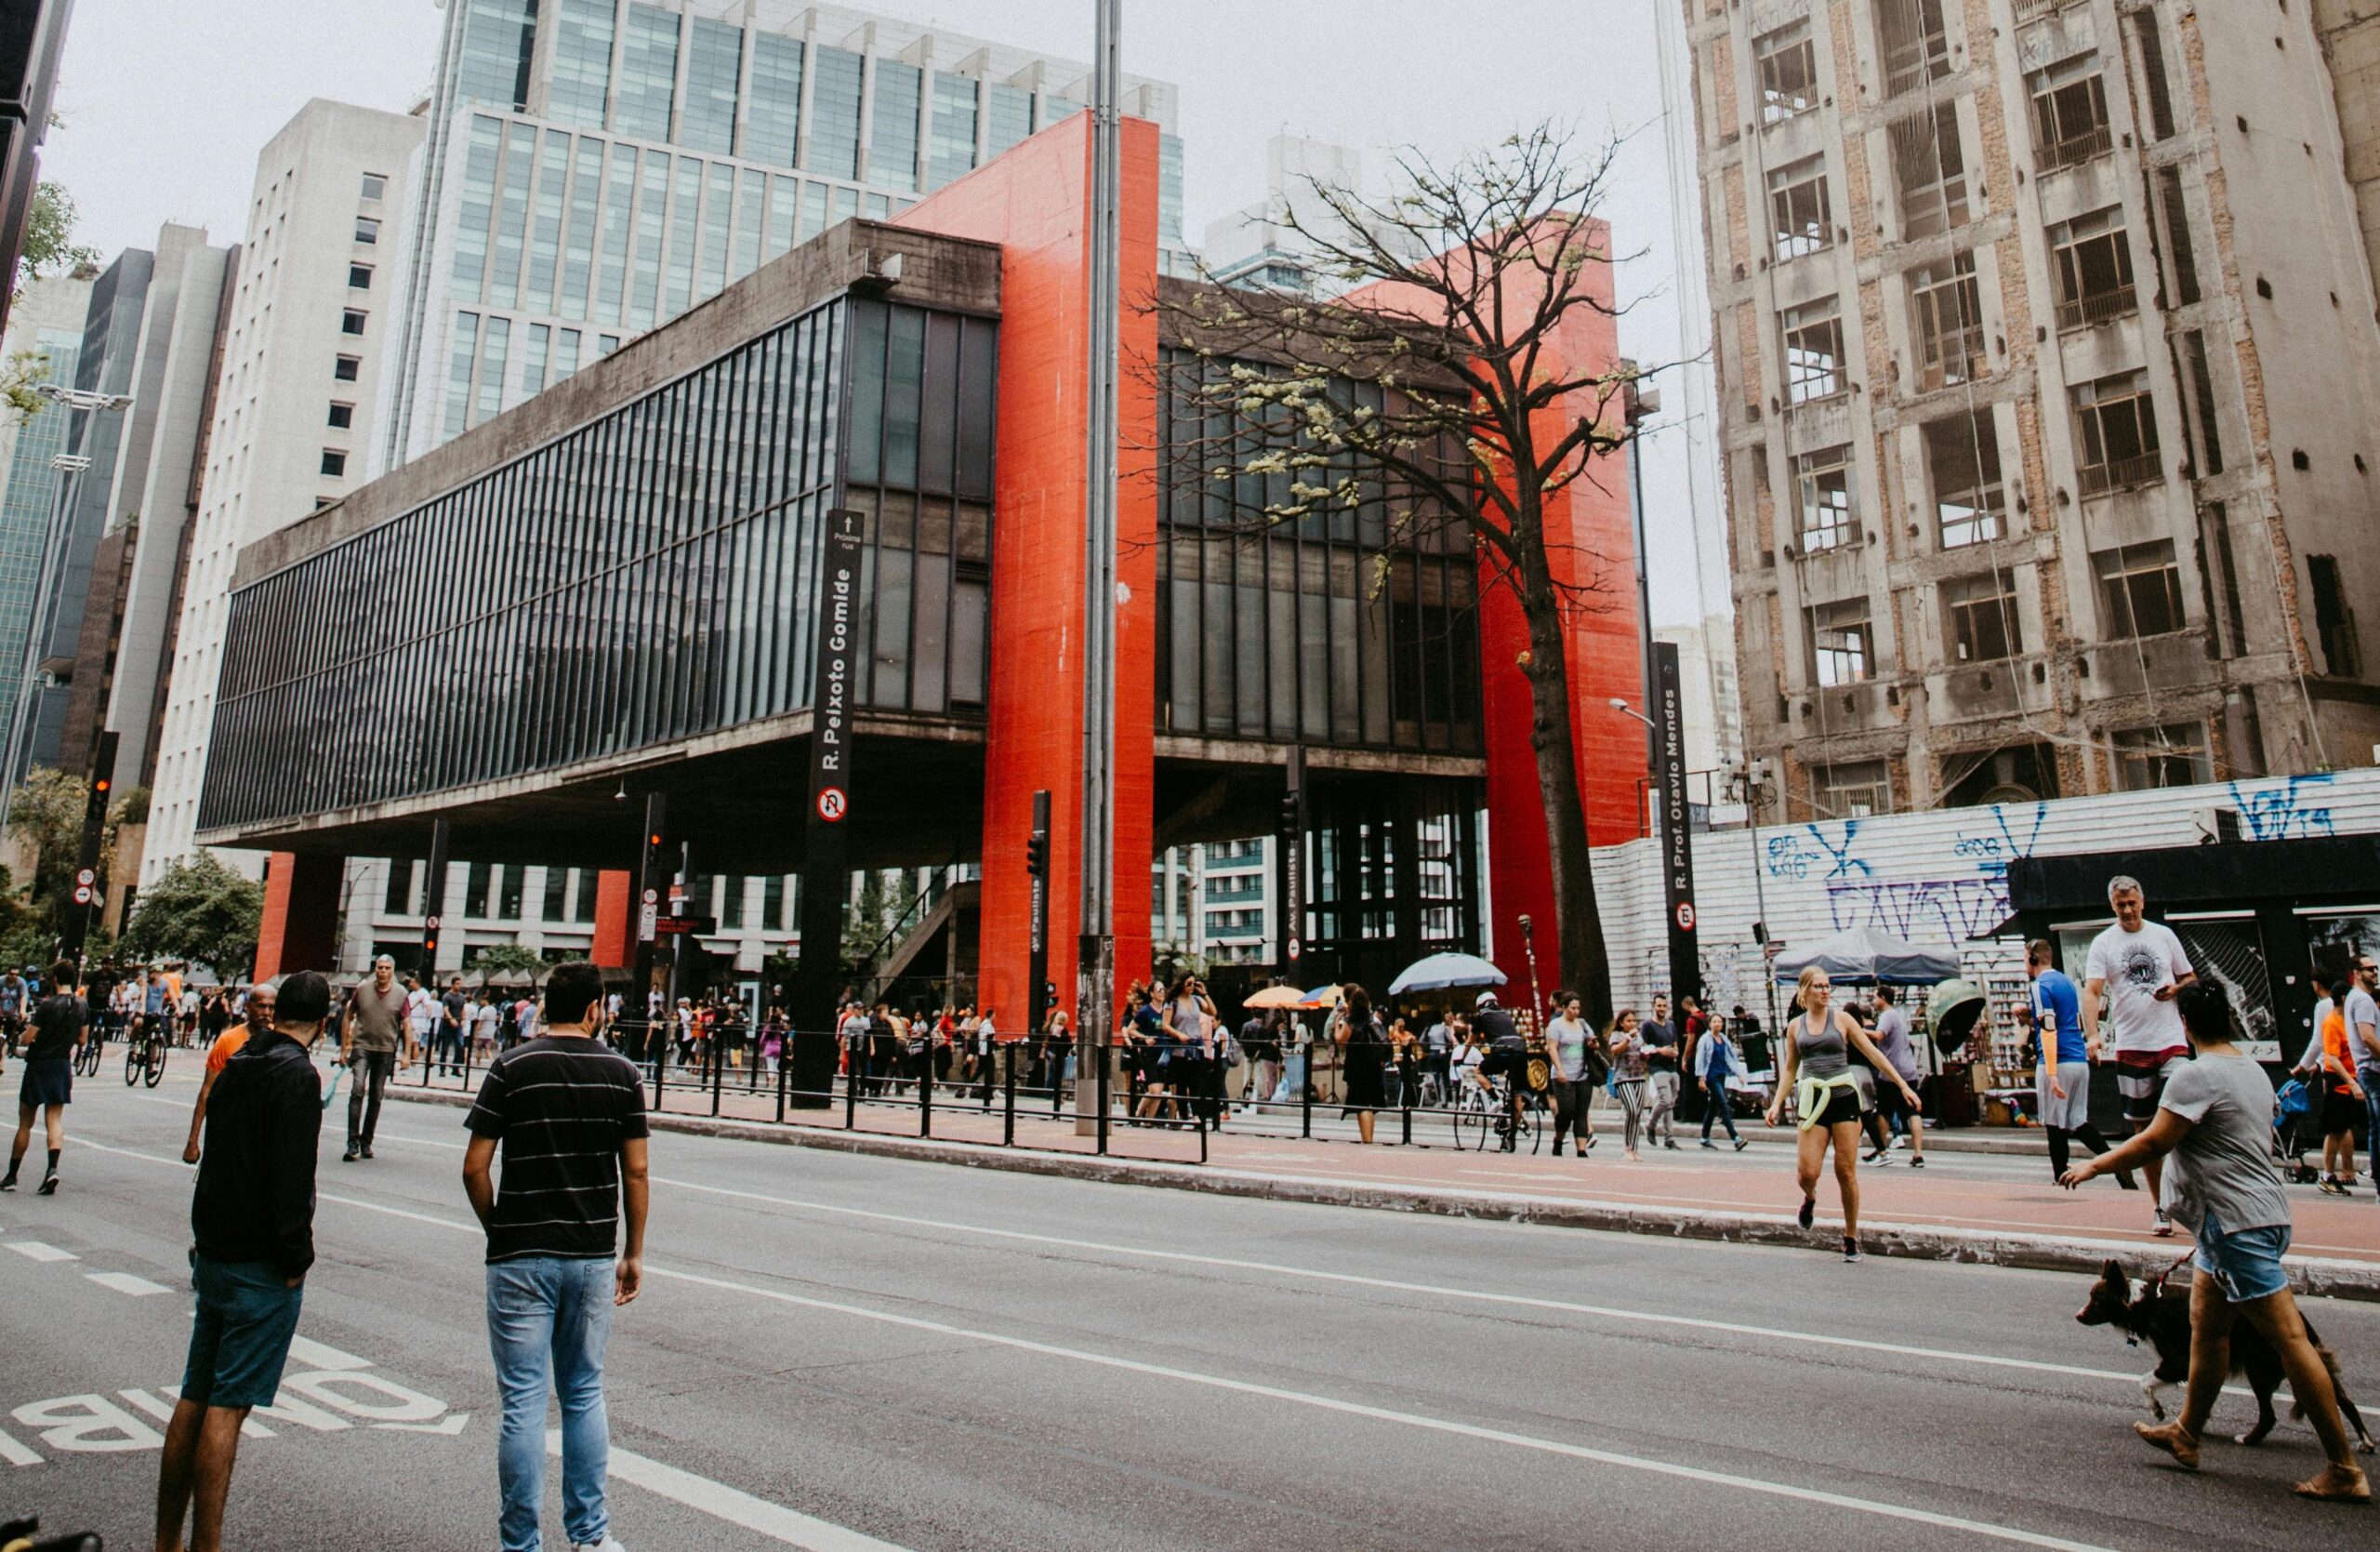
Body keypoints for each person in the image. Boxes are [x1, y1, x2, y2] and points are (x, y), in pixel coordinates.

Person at [2061, 982, 2370, 1501]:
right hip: (2251, 1219)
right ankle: (2186, 1433)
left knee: (2292, 1343)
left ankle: (2343, 1468)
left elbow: (2155, 1140)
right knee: (2207, 1332)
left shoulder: (2192, 1076)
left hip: (2235, 1227)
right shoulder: (2252, 1071)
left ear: (2184, 1026)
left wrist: (2095, 1164)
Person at [463, 961, 649, 1552]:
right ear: (597, 1007)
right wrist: (633, 1253)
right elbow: (637, 1170)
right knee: (584, 1393)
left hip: (519, 1254)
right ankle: (591, 1537)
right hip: (592, 1254)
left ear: (547, 1006)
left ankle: (521, 1544)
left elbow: (474, 1166)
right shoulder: (622, 1073)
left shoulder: (511, 1066)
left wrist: (501, 1231)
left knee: (522, 1400)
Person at [154, 970, 326, 1552]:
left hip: (216, 1249)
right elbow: (291, 1176)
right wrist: (296, 1256)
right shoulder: (298, 1075)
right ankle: (207, 1544)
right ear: (324, 1023)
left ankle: (166, 1542)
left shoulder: (242, 1061)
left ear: (278, 1015)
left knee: (194, 1393)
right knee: (228, 1407)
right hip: (259, 1260)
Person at [1767, 965, 1921, 1263]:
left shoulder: (1842, 1020)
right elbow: (1790, 1069)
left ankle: (1850, 1236)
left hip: (1844, 1097)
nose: (1825, 991)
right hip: (1813, 1100)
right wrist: (1776, 1103)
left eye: (1828, 986)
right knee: (1807, 1172)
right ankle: (1810, 1198)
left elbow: (1873, 1053)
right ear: (1805, 991)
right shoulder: (1795, 1027)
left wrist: (1903, 1085)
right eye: (1819, 986)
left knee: (1845, 1170)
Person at [2082, 875, 2197, 1237]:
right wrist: (2093, 1035)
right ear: (2112, 906)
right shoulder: (2104, 943)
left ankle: (2195, 1195)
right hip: (2132, 1044)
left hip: (2171, 1041)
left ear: (2142, 901)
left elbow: (2191, 978)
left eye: (2132, 903)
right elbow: (2093, 991)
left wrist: (2175, 989)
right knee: (2144, 1129)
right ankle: (2161, 1206)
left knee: (2187, 1117)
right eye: (2121, 905)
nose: (2128, 911)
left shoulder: (2163, 935)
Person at [2021, 940, 2128, 1187]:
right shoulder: (2066, 982)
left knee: (2054, 1122)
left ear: (2033, 959)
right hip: (2078, 1059)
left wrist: (2050, 1072)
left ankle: (2060, 1176)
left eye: (2025, 958)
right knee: (2077, 1121)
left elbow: (2049, 1029)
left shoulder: (2040, 986)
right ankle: (2117, 1164)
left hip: (2057, 1060)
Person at [3, 961, 86, 1194]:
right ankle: (52, 1169)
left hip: (39, 1064)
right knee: (55, 1120)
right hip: (62, 1064)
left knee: (25, 1122)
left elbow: (27, 1039)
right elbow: (82, 1039)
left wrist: (24, 1034)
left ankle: (12, 1175)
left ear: (55, 978)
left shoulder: (47, 1006)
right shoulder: (81, 1006)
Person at [183, 983, 276, 1165]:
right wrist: (192, 1141)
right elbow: (207, 1091)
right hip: (227, 1131)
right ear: (248, 1007)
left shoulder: (280, 1042)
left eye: (271, 1007)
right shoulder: (228, 1040)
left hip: (262, 1136)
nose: (266, 1012)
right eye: (261, 1006)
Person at [340, 955, 412, 1163]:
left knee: (376, 1096)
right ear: (375, 969)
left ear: (392, 971)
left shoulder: (401, 994)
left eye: (387, 968)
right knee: (357, 1090)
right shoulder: (362, 989)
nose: (382, 971)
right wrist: (345, 1047)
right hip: (361, 1046)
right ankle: (352, 1142)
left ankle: (366, 1142)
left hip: (386, 1049)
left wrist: (407, 1054)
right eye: (379, 967)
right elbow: (348, 1015)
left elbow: (407, 1024)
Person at [2308, 958, 2368, 1197]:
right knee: (2335, 1130)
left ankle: (2348, 1171)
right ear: (2344, 999)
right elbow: (2332, 1057)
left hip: (2354, 1081)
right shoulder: (2332, 1023)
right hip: (2341, 1084)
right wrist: (2352, 1083)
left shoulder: (2348, 1021)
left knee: (2358, 1126)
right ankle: (2328, 1176)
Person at [1860, 985, 1926, 1169]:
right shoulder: (1898, 1015)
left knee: (1884, 1112)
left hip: (1891, 1072)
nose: (1873, 1001)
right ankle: (1918, 1154)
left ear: (1882, 998)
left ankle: (1881, 1150)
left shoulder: (1887, 1016)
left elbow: (1879, 1035)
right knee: (1913, 1112)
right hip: (1909, 1069)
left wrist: (1858, 1030)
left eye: (1874, 997)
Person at [1472, 992, 1530, 1151]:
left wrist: (1461, 1056)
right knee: (1517, 1094)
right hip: (1520, 1050)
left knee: (1479, 1071)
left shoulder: (1482, 1016)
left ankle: (1495, 1098)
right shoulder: (1504, 1014)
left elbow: (1470, 1041)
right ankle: (1511, 1133)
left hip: (1502, 1051)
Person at [1542, 992, 1598, 1158]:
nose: (1576, 1011)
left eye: (1578, 1008)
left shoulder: (1581, 1024)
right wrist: (1559, 1069)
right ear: (1564, 1007)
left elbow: (1594, 1040)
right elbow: (1552, 1048)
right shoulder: (1556, 1025)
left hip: (1582, 1074)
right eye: (1572, 1008)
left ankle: (1581, 1149)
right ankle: (1558, 1139)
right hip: (1563, 1074)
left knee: (1581, 1111)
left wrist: (1593, 1044)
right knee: (1566, 1111)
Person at [1336, 984, 1388, 1144]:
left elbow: (1341, 1040)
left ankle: (1367, 1140)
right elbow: (1382, 1038)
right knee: (1369, 1103)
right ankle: (1369, 1137)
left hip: (1358, 1065)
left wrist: (1336, 1023)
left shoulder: (1350, 1020)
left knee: (1362, 1103)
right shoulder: (1372, 1019)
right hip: (1373, 1064)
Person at [1689, 1013, 1747, 1148]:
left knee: (1712, 1108)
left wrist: (1738, 1074)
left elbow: (1729, 1058)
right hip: (1711, 1076)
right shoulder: (1705, 1039)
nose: (1717, 1024)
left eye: (1719, 1022)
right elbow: (1700, 1059)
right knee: (1723, 1104)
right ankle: (1736, 1138)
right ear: (1709, 1024)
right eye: (1714, 1021)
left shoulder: (1723, 1039)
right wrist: (1701, 1078)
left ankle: (1704, 1137)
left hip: (1721, 1075)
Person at [1638, 995, 1681, 1150]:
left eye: (1664, 1006)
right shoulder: (1648, 1025)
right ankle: (1650, 1125)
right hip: (1657, 1067)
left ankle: (1669, 1138)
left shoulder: (1670, 1024)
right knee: (1665, 1099)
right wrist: (1659, 1050)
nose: (1662, 1009)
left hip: (1672, 1067)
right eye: (1659, 1006)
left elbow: (1675, 1044)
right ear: (1654, 1006)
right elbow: (1642, 1048)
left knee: (1670, 1104)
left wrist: (1675, 1052)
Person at [1606, 1008, 1649, 1161]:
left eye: (1634, 1021)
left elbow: (1642, 1053)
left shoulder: (1639, 1036)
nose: (1632, 1024)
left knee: (1638, 1112)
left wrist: (1647, 1054)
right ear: (1621, 1023)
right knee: (1631, 1109)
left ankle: (1635, 1148)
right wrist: (1627, 1039)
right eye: (1629, 1021)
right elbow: (1615, 1051)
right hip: (1623, 1077)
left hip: (1638, 1076)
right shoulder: (1617, 1035)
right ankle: (1627, 1146)